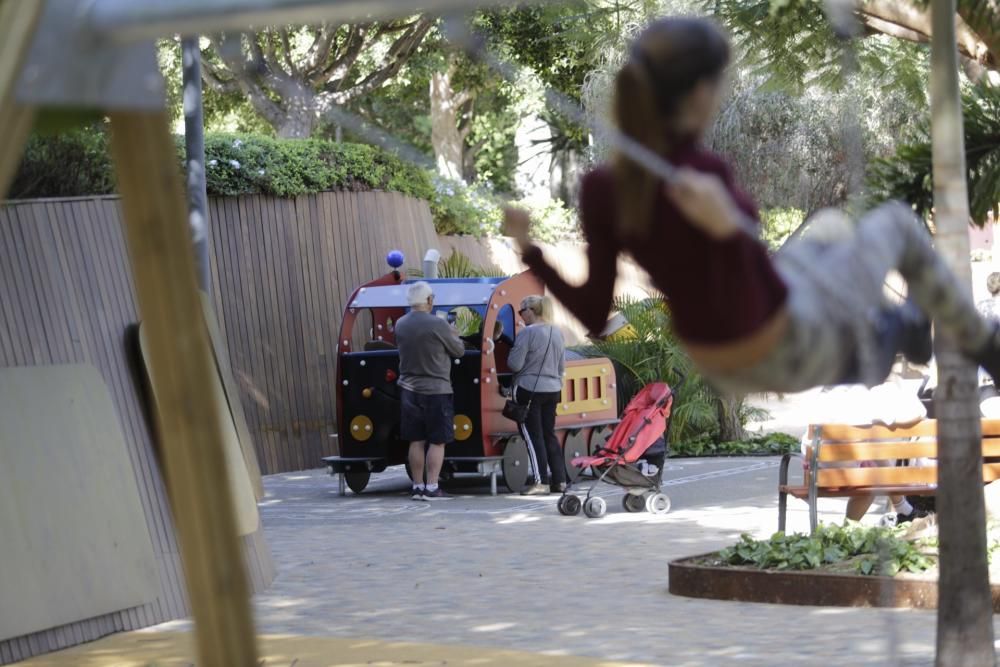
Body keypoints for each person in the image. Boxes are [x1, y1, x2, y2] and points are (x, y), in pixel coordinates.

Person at [503, 16, 1000, 397]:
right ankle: (971, 342)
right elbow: (748, 291)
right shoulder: (700, 175)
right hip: (777, 345)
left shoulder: (604, 186)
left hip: (718, 362)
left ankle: (899, 329)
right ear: (700, 92)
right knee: (894, 222)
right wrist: (728, 231)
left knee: (828, 230)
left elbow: (593, 312)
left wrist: (530, 250)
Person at [395, 281, 466, 501]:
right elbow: (459, 351)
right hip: (436, 389)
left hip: (408, 389)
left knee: (415, 440)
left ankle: (417, 486)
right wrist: (454, 333)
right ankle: (432, 486)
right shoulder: (438, 324)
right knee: (437, 440)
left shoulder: (400, 324)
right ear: (429, 300)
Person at [508, 295, 567, 495]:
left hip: (529, 388)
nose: (521, 316)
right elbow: (561, 367)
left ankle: (540, 481)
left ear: (531, 310)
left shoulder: (527, 333)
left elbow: (514, 364)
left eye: (521, 311)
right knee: (549, 434)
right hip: (553, 389)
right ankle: (560, 481)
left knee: (533, 436)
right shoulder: (558, 332)